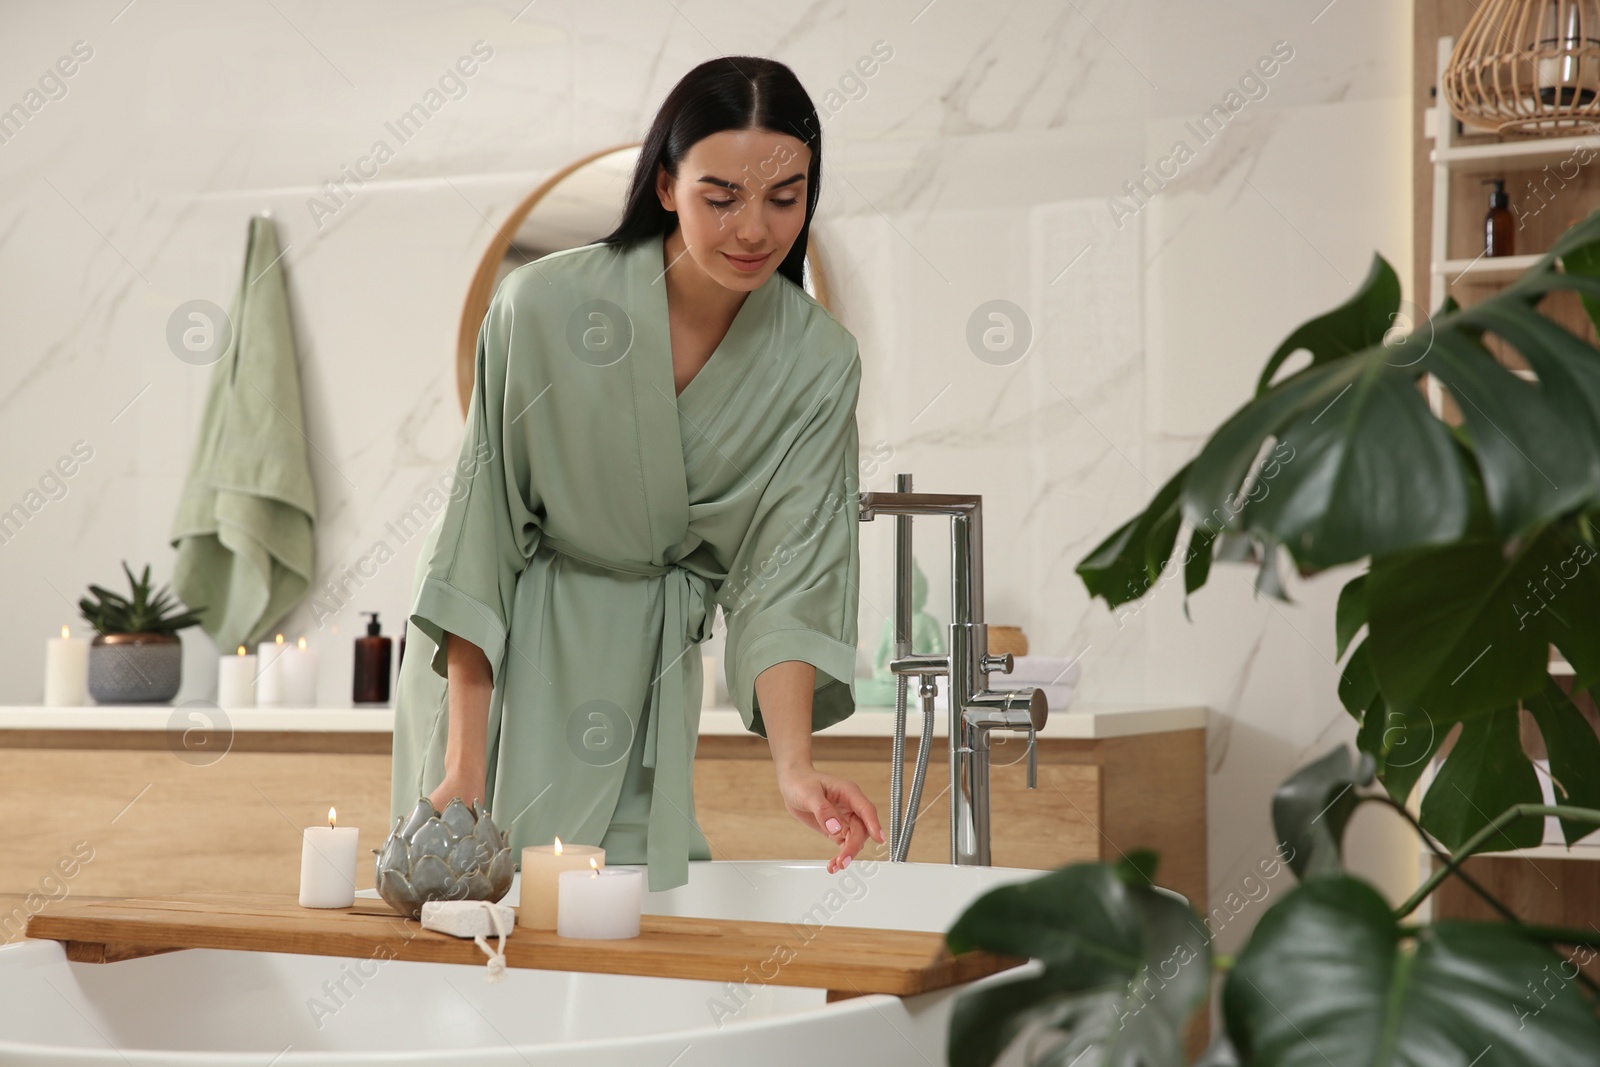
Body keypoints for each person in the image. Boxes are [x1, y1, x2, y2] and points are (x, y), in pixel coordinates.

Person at [389, 55, 883, 892]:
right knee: (478, 945)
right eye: (720, 198)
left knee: (617, 938)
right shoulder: (540, 307)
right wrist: (466, 767)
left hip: (647, 682)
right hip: (497, 672)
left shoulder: (819, 362)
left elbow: (789, 577)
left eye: (785, 197)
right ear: (664, 186)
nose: (755, 229)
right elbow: (478, 542)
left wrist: (795, 768)